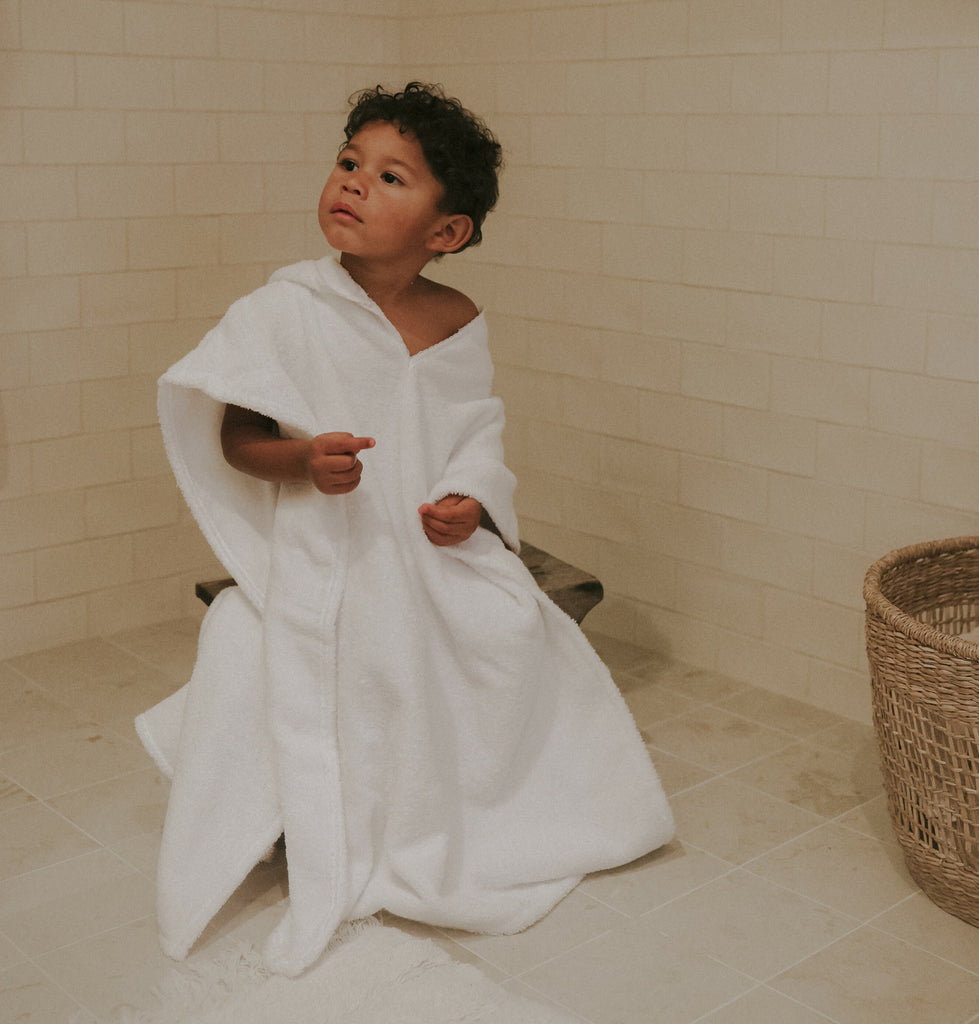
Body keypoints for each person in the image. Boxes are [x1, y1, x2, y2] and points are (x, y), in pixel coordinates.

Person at [136, 82, 674, 978]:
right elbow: (235, 438)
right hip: (330, 546)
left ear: (446, 231)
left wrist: (468, 496)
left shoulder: (455, 319)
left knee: (510, 634)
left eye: (391, 177)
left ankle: (482, 813)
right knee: (259, 644)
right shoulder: (283, 312)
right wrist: (303, 461)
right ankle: (343, 813)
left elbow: (474, 434)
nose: (354, 183)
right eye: (349, 162)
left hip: (425, 550)